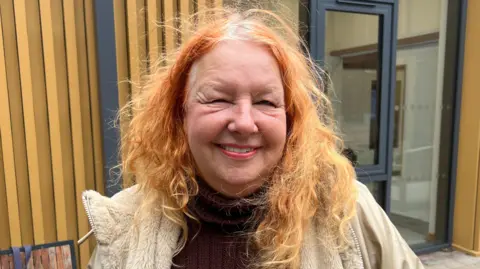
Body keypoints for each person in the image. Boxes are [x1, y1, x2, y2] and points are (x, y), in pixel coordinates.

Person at [82, 8, 425, 269]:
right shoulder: (124, 225)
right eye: (218, 98)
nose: (245, 123)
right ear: (179, 112)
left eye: (265, 102)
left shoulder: (345, 209)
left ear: (290, 120)